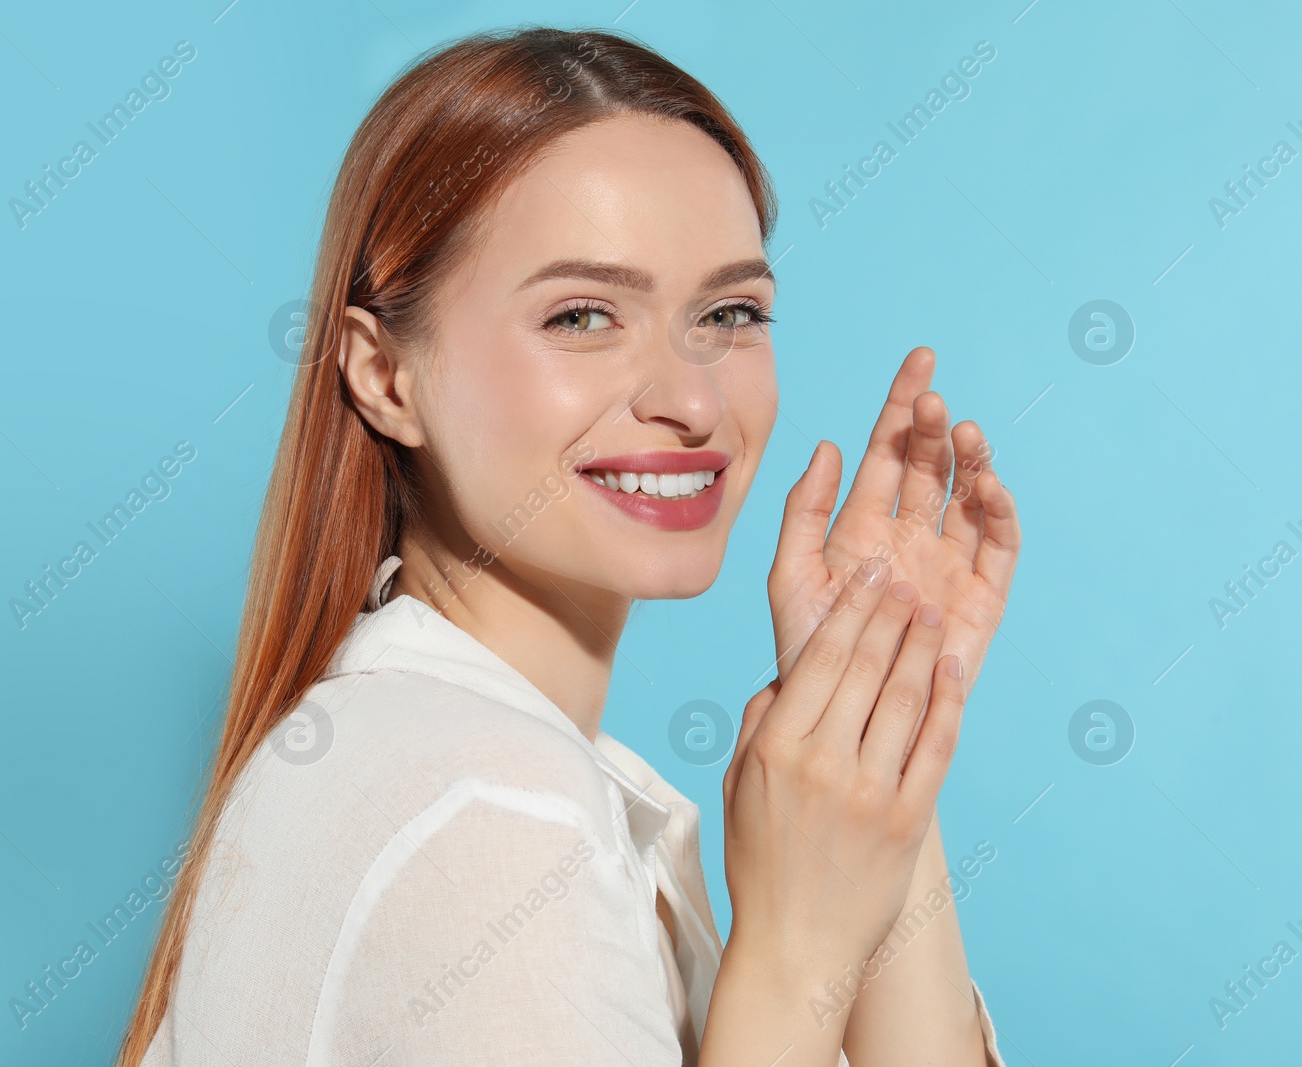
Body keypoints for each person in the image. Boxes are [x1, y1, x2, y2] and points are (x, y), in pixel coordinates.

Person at [118, 24, 1020, 1067]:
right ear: (383, 376)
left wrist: (876, 710)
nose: (690, 398)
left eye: (729, 311)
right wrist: (793, 948)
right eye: (584, 315)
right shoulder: (489, 809)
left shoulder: (433, 747)